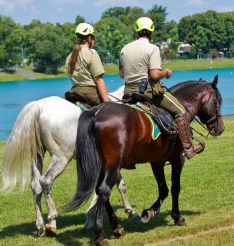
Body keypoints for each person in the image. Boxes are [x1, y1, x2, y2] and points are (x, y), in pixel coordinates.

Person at [119, 16, 204, 159]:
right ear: (151, 32)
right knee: (180, 111)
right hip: (147, 91)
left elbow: (122, 75)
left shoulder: (124, 49)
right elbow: (154, 74)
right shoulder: (152, 48)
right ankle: (188, 148)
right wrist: (166, 72)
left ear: (137, 31)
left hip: (128, 91)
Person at [66, 22, 109, 106]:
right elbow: (99, 80)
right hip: (90, 94)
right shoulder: (92, 53)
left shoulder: (70, 56)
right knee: (114, 110)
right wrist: (107, 102)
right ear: (89, 38)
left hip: (74, 92)